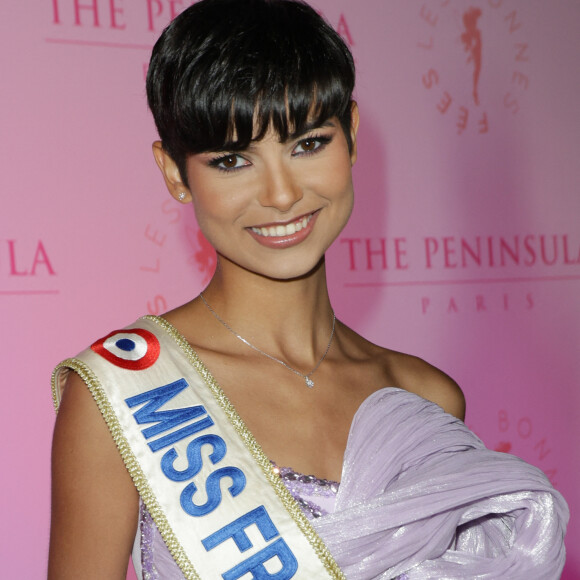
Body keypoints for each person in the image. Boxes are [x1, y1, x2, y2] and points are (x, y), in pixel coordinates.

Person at [48, 0, 568, 578]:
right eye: (231, 160)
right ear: (174, 172)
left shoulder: (425, 399)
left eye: (308, 144)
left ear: (351, 134)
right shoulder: (122, 393)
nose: (280, 194)